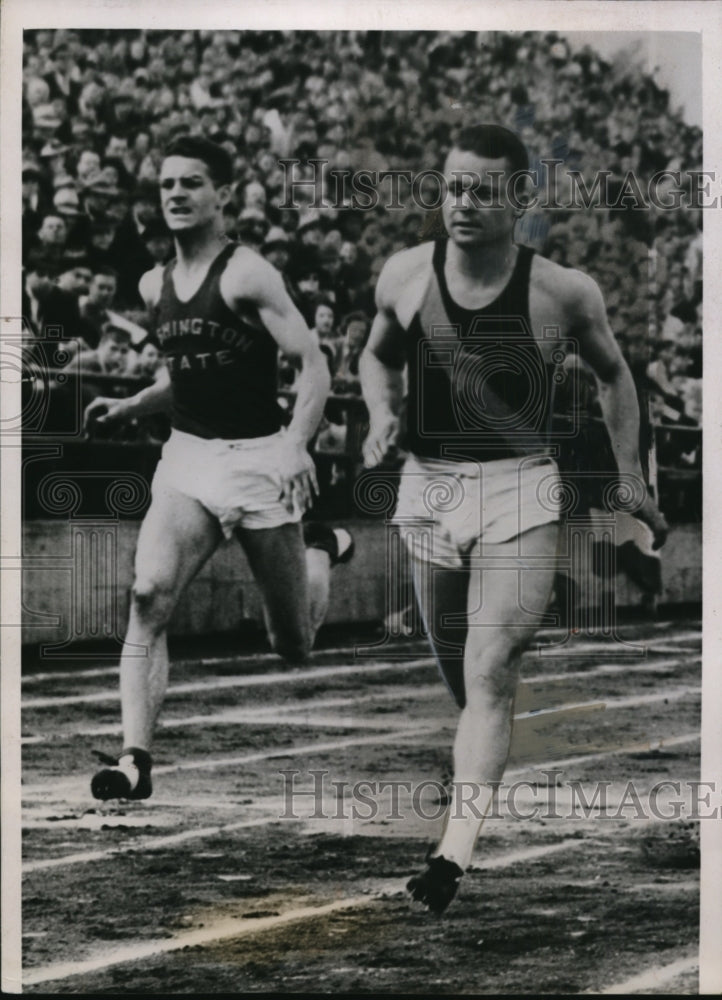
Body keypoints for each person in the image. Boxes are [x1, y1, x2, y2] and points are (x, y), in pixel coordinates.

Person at [359, 123, 668, 914]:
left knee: (492, 669)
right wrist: (377, 414)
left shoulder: (561, 290)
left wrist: (629, 474)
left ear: (520, 199)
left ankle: (450, 859)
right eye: (453, 187)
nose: (462, 203)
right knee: (461, 673)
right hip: (430, 484)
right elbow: (376, 355)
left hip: (522, 486)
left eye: (482, 190)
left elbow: (614, 374)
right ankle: (478, 772)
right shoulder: (404, 274)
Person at [84, 135, 352, 802]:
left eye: (191, 183)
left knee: (292, 644)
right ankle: (134, 759)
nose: (176, 194)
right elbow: (187, 371)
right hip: (191, 456)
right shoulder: (153, 284)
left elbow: (312, 364)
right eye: (167, 184)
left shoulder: (248, 273)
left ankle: (320, 550)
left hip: (261, 458)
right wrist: (131, 404)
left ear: (222, 195)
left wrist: (297, 443)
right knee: (148, 595)